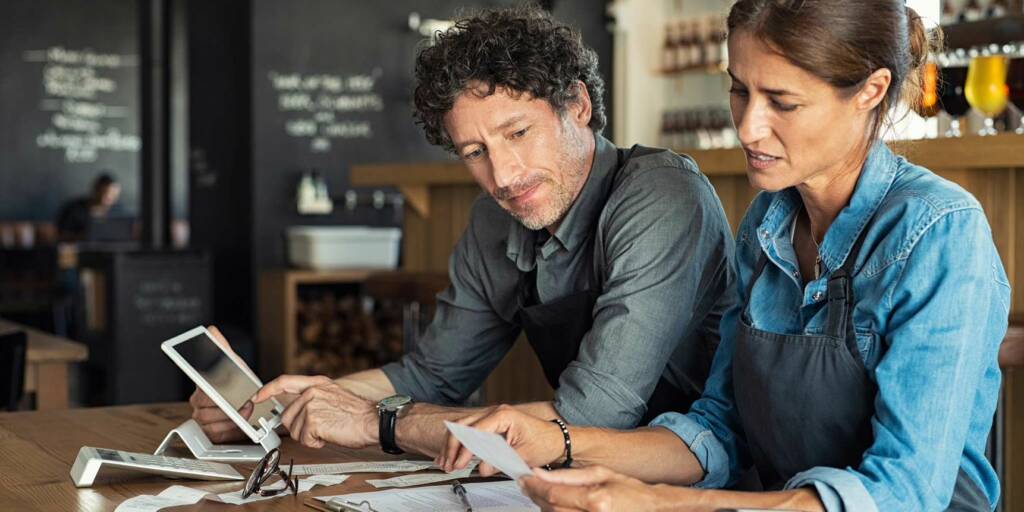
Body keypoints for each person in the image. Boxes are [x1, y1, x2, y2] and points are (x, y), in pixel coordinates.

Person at [440, 1, 1009, 511]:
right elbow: (720, 428)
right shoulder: (769, 222)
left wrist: (663, 504)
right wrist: (562, 444)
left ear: (871, 91)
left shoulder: (938, 232)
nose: (748, 125)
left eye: (781, 101)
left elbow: (906, 492)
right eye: (740, 89)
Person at [190, 6, 736, 458]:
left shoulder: (661, 196)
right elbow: (432, 374)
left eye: (518, 132)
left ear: (578, 106)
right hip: (589, 480)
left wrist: (378, 424)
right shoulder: (493, 220)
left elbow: (592, 416)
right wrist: (282, 405)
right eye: (475, 153)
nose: (503, 176)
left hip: (703, 478)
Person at [55, 172, 122, 241]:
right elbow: (60, 234)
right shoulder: (73, 209)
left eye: (113, 195)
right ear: (96, 189)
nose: (109, 197)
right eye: (105, 193)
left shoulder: (119, 212)